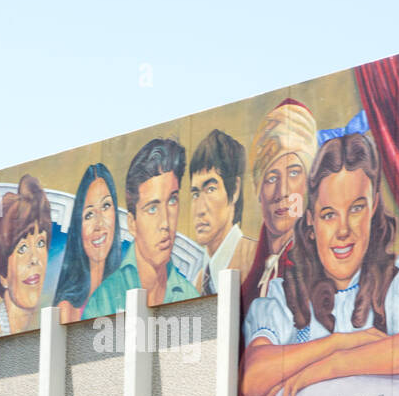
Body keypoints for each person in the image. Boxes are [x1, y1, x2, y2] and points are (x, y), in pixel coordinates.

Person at [241, 130, 399, 396]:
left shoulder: (398, 279)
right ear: (311, 221)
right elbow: (253, 379)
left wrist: (331, 366)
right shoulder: (286, 293)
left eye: (356, 209)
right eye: (329, 214)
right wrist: (339, 343)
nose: (343, 230)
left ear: (373, 207)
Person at [83, 139, 200, 318]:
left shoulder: (190, 298)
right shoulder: (105, 302)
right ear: (132, 223)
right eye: (152, 208)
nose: (166, 223)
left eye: (172, 200)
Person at [240, 99, 318, 311]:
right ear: (259, 192)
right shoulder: (251, 275)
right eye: (271, 178)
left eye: (294, 172)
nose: (281, 192)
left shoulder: (323, 268)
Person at [0, 175, 51, 339]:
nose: (35, 259)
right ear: (3, 274)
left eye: (40, 243)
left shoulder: (40, 330)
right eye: (23, 248)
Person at [190, 129, 257, 295]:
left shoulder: (258, 260)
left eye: (211, 189)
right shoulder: (195, 283)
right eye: (196, 194)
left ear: (234, 189)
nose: (200, 209)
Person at [53, 163, 123, 323]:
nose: (99, 224)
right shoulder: (68, 308)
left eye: (106, 206)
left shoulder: (125, 288)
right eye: (89, 215)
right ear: (78, 227)